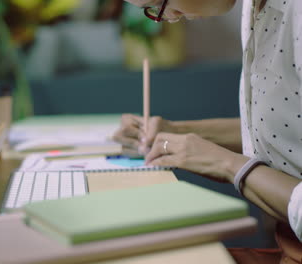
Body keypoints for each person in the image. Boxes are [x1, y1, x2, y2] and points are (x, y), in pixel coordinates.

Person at [115, 0, 302, 263]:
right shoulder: (254, 5)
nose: (168, 17)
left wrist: (228, 165)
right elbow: (284, 129)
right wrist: (175, 131)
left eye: (159, 3)